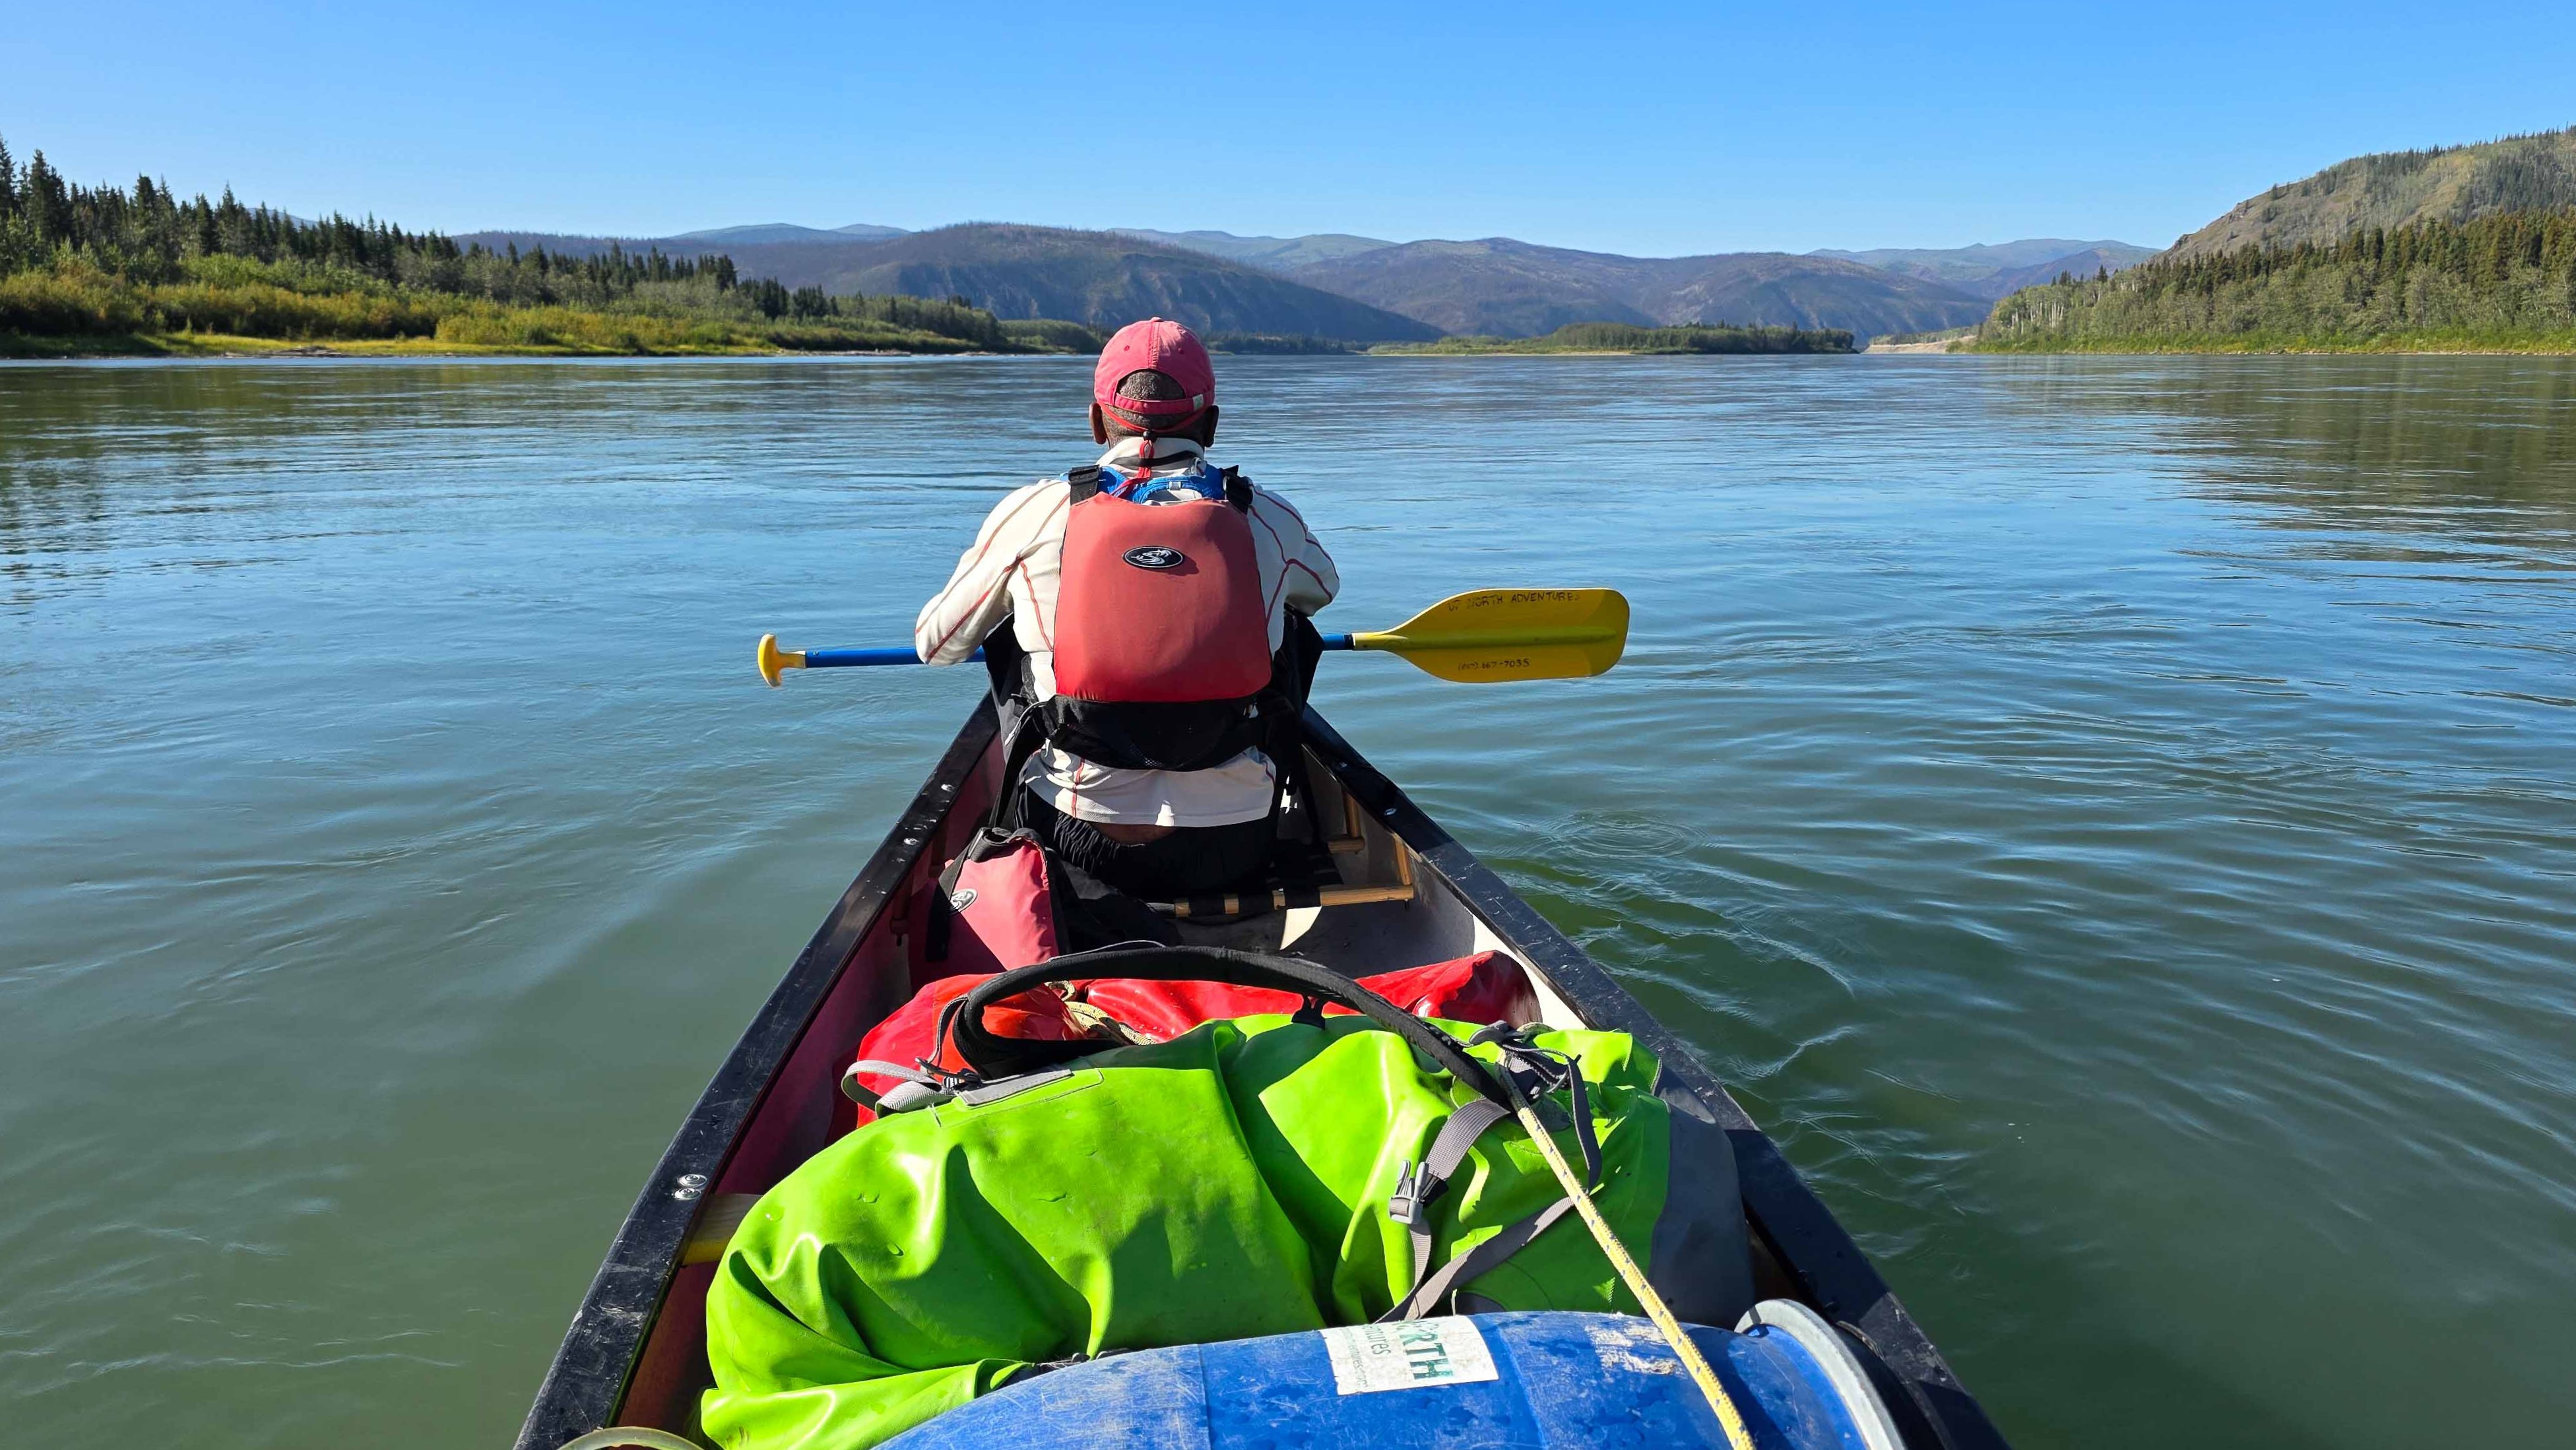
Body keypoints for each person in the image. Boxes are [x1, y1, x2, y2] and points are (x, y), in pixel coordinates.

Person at [915, 318, 1338, 898]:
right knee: (1289, 620)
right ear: (1212, 424)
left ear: (1096, 421)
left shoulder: (1036, 512)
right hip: (1235, 843)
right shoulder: (1266, 516)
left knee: (1016, 625)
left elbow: (937, 645)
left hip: (1069, 837)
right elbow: (1323, 590)